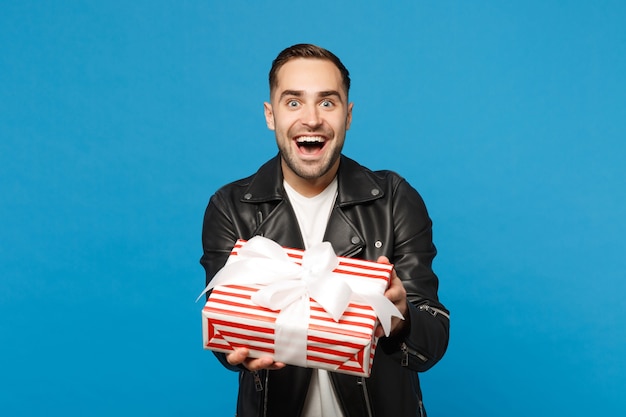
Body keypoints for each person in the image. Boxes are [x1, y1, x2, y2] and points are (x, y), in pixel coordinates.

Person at [200, 43, 450, 417]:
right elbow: (225, 329)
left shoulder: (395, 198)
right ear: (271, 115)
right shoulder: (230, 207)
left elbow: (433, 339)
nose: (312, 119)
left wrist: (401, 322)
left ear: (347, 116)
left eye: (328, 103)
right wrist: (238, 350)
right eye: (294, 102)